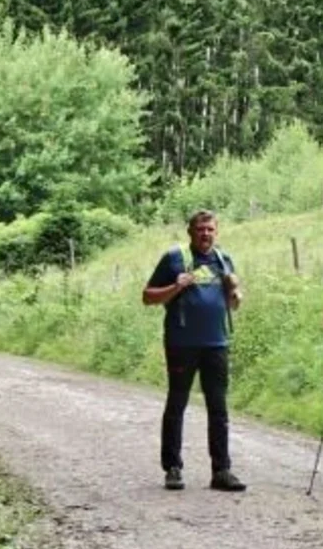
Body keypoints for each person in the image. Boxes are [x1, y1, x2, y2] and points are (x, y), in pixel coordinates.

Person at [141, 210, 246, 492]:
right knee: (177, 404)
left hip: (217, 343)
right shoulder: (174, 259)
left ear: (216, 232)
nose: (206, 234)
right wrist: (176, 286)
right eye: (200, 229)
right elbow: (147, 297)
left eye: (210, 229)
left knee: (219, 408)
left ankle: (221, 470)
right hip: (181, 343)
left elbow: (233, 304)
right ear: (190, 232)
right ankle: (173, 468)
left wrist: (236, 294)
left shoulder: (223, 260)